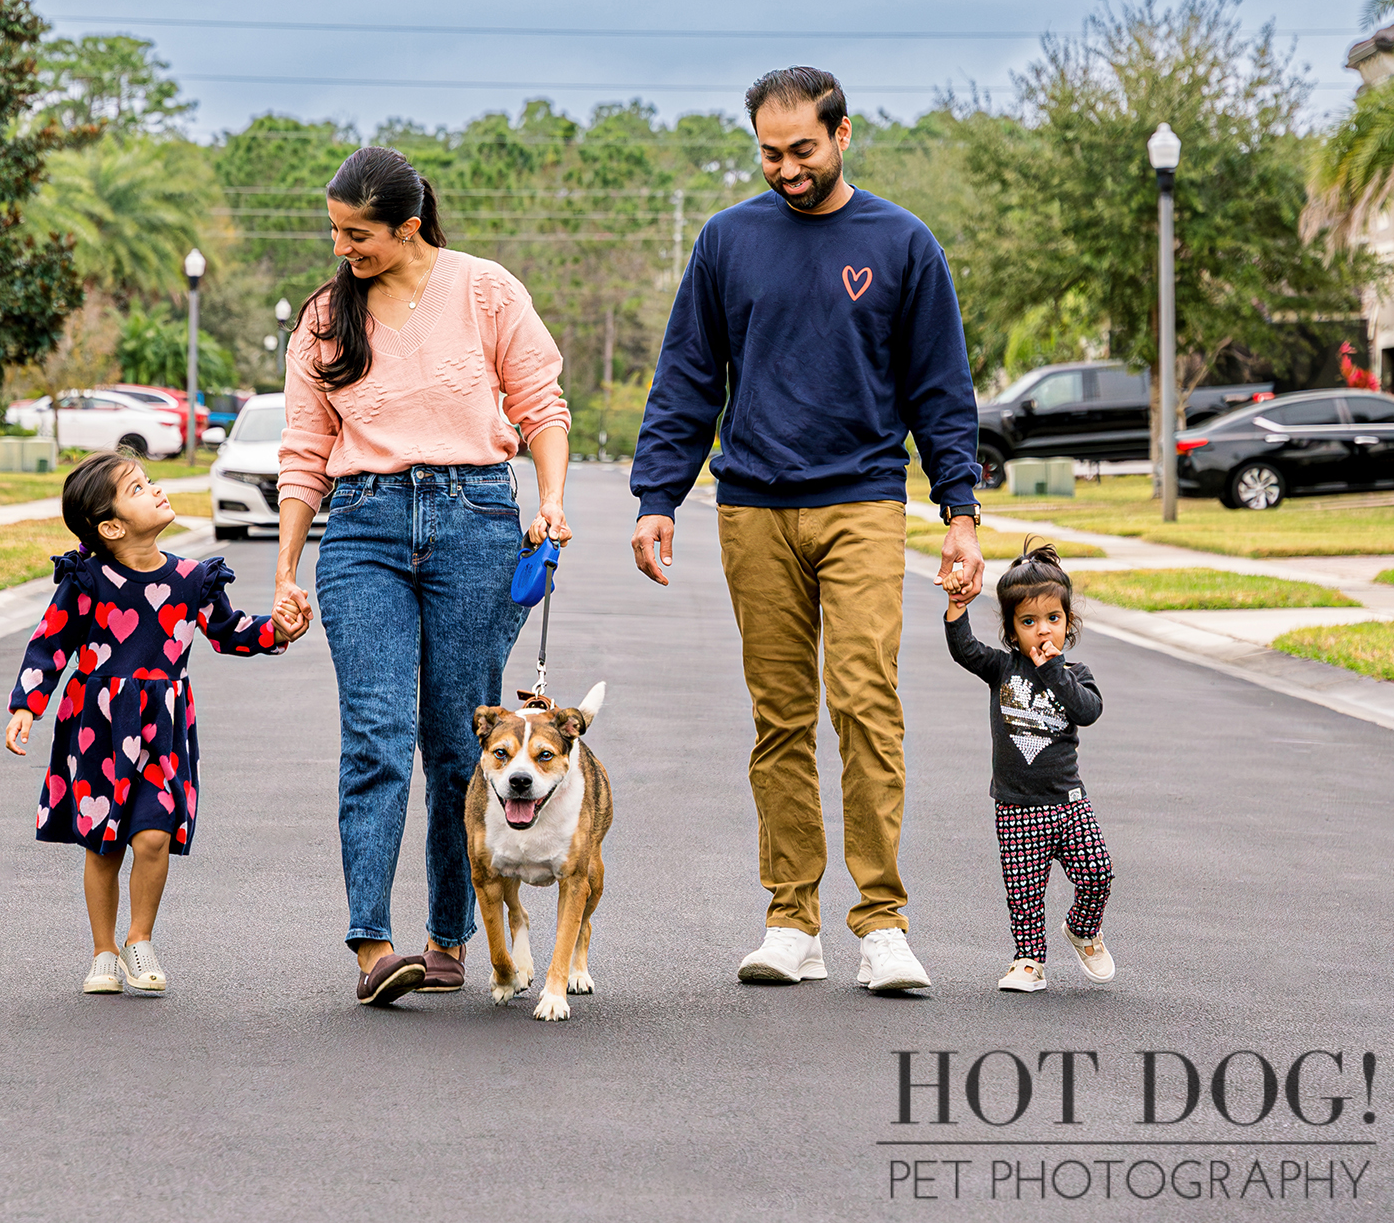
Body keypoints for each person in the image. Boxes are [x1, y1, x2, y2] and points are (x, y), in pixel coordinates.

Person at [629, 64, 983, 994]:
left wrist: (959, 514)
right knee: (778, 718)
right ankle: (791, 919)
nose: (784, 168)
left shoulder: (901, 243)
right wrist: (656, 497)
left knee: (865, 703)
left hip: (863, 501)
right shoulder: (727, 241)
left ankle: (882, 923)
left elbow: (940, 390)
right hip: (750, 506)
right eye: (768, 153)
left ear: (842, 136)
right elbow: (688, 376)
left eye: (801, 150)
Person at [271, 145, 571, 1009]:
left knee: (454, 747)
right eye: (334, 231)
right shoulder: (327, 317)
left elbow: (540, 407)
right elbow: (303, 453)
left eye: (357, 234)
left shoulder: (485, 290)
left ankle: (450, 933)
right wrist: (287, 568)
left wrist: (547, 501)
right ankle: (372, 943)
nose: (342, 249)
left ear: (408, 228)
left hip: (475, 520)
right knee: (374, 734)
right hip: (361, 527)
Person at [5, 449, 284, 996]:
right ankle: (103, 951)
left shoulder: (191, 579)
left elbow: (229, 632)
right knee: (105, 843)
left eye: (150, 480)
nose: (155, 490)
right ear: (110, 526)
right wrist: (26, 704)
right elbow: (50, 642)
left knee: (154, 835)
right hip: (99, 726)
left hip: (164, 728)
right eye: (137, 489)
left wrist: (279, 630)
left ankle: (139, 938)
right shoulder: (88, 580)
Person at [943, 542, 1114, 992]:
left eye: (1053, 620)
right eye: (1029, 622)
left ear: (1068, 621)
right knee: (1024, 893)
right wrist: (957, 607)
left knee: (1098, 872)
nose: (1043, 631)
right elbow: (964, 651)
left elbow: (1088, 710)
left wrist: (1055, 671)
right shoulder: (1002, 669)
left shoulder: (1076, 673)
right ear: (1011, 629)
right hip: (1016, 806)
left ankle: (1082, 929)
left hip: (1067, 802)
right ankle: (1028, 961)